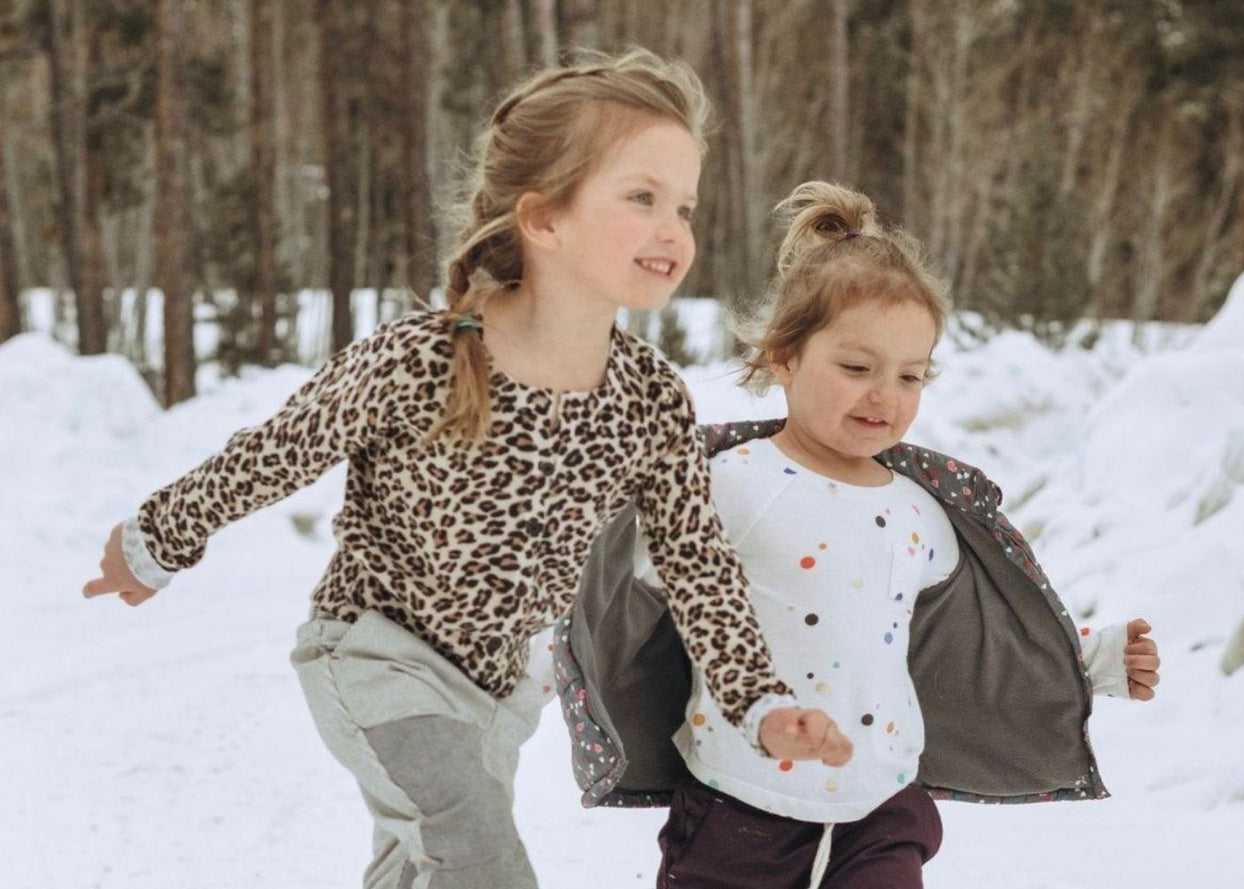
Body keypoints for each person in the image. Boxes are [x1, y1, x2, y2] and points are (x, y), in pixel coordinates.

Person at [79, 51, 850, 889]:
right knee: (481, 863)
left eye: (685, 207)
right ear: (544, 219)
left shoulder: (651, 398)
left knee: (421, 872)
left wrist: (762, 703)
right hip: (375, 659)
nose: (675, 230)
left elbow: (698, 566)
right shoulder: (426, 359)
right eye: (641, 197)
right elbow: (278, 449)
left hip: (497, 700)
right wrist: (154, 540)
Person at [552, 181, 1160, 889]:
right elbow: (606, 593)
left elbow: (967, 641)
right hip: (738, 803)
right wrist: (528, 647)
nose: (885, 396)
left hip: (882, 805)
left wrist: (1096, 659)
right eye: (857, 367)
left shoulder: (920, 511)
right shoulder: (728, 485)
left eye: (911, 375)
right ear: (785, 355)